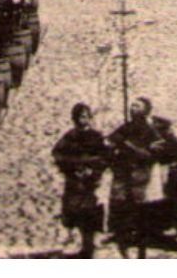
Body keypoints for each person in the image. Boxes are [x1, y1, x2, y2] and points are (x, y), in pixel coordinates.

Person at [106, 97, 163, 257]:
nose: (132, 108)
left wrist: (129, 146)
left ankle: (141, 252)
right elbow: (109, 142)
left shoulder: (151, 131)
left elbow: (154, 153)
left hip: (140, 178)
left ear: (145, 111)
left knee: (141, 216)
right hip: (123, 177)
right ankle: (124, 250)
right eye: (131, 106)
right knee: (122, 214)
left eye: (136, 106)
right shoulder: (125, 128)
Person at [52, 103, 108, 258]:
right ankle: (77, 242)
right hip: (74, 181)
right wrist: (72, 168)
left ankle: (88, 245)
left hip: (91, 182)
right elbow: (58, 154)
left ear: (90, 118)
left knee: (91, 212)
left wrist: (93, 170)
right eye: (79, 117)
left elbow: (105, 157)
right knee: (74, 211)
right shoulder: (69, 136)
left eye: (85, 116)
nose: (82, 120)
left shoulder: (97, 136)